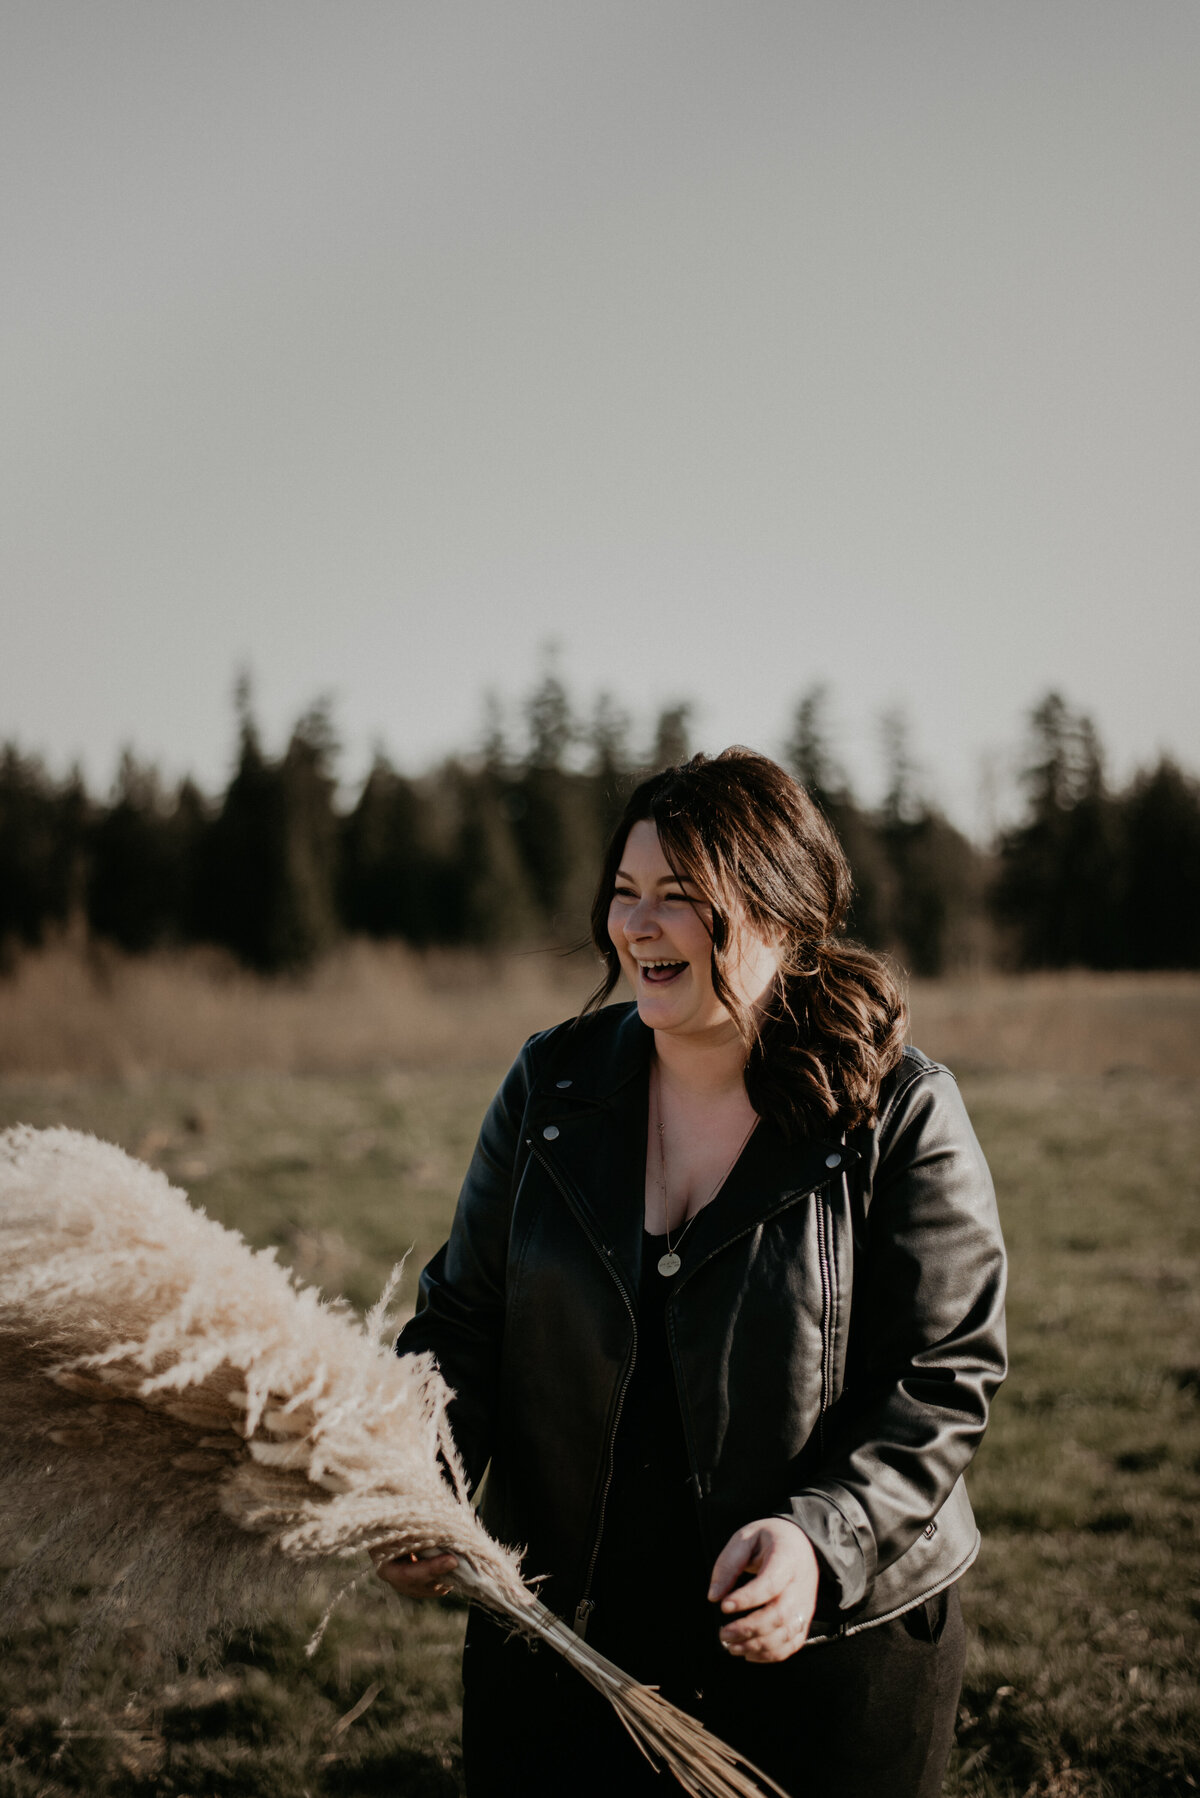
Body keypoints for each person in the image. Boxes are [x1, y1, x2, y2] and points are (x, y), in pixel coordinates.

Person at [377, 748, 1007, 1798]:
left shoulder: (901, 1112)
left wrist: (820, 1542)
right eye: (625, 894)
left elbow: (944, 1374)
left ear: (784, 912)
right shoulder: (551, 1088)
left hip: (828, 1654)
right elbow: (465, 1321)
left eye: (680, 897)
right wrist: (420, 1476)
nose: (637, 927)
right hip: (564, 1638)